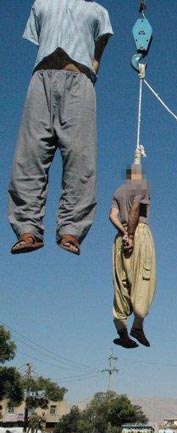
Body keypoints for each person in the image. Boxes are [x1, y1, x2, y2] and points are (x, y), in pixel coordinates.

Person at [8, 0, 113, 255]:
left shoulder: (98, 12)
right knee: (29, 154)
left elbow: (99, 47)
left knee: (80, 157)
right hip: (41, 80)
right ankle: (27, 228)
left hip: (80, 81)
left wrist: (90, 70)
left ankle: (71, 229)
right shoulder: (41, 4)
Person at [109, 158, 156, 349]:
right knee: (143, 280)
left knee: (121, 283)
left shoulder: (118, 191)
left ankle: (122, 331)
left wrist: (122, 232)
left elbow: (112, 215)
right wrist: (130, 235)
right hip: (138, 233)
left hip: (119, 238)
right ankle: (137, 326)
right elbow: (135, 208)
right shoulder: (141, 186)